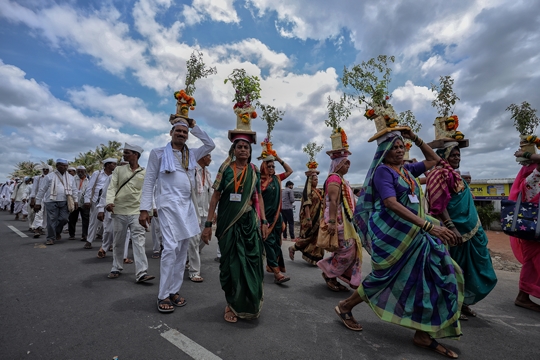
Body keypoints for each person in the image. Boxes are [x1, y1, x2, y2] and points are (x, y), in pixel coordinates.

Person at [337, 130, 463, 359]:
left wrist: (415, 137)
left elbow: (435, 160)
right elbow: (391, 203)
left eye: (401, 146)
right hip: (393, 235)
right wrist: (427, 226)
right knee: (384, 277)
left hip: (415, 234)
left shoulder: (406, 170)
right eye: (394, 147)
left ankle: (423, 334)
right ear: (384, 152)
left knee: (430, 276)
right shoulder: (383, 172)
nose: (399, 150)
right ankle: (345, 305)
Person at [140, 119, 215, 313]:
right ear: (171, 132)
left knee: (183, 249)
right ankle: (162, 295)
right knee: (170, 248)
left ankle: (174, 290)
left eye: (184, 132)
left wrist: (194, 125)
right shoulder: (157, 153)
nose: (181, 134)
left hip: (188, 206)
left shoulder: (192, 154)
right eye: (178, 131)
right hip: (167, 206)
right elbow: (149, 182)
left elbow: (210, 144)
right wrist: (144, 209)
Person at [201, 135, 269, 322]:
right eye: (239, 146)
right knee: (232, 266)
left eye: (246, 147)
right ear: (234, 150)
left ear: (250, 151)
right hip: (228, 224)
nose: (242, 150)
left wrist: (263, 221)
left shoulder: (254, 170)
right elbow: (215, 196)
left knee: (251, 264)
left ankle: (249, 303)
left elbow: (259, 197)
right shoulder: (225, 169)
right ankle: (231, 304)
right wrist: (208, 224)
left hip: (249, 223)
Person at [426, 143, 497, 319]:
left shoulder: (455, 176)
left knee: (472, 268)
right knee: (453, 269)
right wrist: (451, 227)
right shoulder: (438, 174)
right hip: (455, 232)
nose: (457, 158)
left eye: (458, 155)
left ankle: (462, 302)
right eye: (453, 155)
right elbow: (439, 203)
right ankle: (450, 305)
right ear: (443, 156)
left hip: (472, 231)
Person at [105, 143, 153, 283]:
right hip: (119, 210)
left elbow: (147, 193)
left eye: (127, 152)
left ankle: (142, 273)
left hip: (137, 211)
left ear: (136, 155)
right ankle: (116, 267)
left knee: (139, 241)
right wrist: (109, 202)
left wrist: (148, 212)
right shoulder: (119, 170)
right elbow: (112, 187)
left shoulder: (144, 172)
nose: (124, 155)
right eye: (124, 152)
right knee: (118, 241)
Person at [317, 155, 362, 292]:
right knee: (347, 251)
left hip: (345, 220)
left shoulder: (342, 180)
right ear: (337, 164)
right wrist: (331, 222)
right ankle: (328, 272)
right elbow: (333, 201)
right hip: (337, 220)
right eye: (345, 163)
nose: (348, 166)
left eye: (348, 163)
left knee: (348, 249)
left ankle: (332, 273)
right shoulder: (334, 178)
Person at [508, 150, 540, 312]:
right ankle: (523, 296)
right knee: (534, 264)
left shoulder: (528, 180)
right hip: (535, 232)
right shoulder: (533, 179)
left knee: (532, 264)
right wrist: (527, 154)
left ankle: (523, 295)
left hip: (532, 231)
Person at [261, 156, 293, 283]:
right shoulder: (259, 180)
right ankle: (276, 272)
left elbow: (290, 171)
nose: (271, 168)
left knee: (276, 244)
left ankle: (272, 266)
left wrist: (278, 159)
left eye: (273, 166)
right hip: (265, 218)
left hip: (277, 218)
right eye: (268, 166)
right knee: (268, 244)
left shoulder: (277, 178)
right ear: (264, 167)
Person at [35, 159, 79, 245]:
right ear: (57, 166)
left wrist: (76, 200)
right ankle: (50, 238)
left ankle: (57, 232)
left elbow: (74, 190)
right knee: (51, 220)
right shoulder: (49, 176)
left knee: (64, 219)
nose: (64, 167)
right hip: (51, 201)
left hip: (65, 201)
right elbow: (42, 190)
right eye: (62, 165)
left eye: (66, 165)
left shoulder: (70, 177)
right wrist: (38, 202)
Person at [186, 153, 214, 282]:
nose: (211, 159)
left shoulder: (207, 174)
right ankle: (194, 271)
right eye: (209, 156)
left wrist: (214, 212)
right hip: (192, 211)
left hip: (205, 212)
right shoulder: (191, 171)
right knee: (193, 241)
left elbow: (211, 193)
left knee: (203, 239)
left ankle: (188, 258)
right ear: (203, 157)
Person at [289, 170, 324, 265]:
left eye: (317, 180)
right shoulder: (307, 192)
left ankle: (315, 258)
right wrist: (308, 219)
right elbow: (306, 206)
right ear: (310, 181)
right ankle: (293, 248)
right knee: (308, 237)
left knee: (317, 237)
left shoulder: (318, 191)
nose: (316, 181)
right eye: (314, 180)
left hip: (318, 218)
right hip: (310, 218)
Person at [83, 158, 117, 249]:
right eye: (113, 164)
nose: (115, 166)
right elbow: (90, 187)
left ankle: (109, 244)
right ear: (107, 165)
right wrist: (87, 200)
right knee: (94, 222)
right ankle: (89, 240)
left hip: (110, 201)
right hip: (97, 200)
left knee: (110, 223)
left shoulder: (115, 175)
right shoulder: (97, 174)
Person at [68, 166, 90, 241]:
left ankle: (85, 235)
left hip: (84, 202)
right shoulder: (73, 179)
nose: (80, 173)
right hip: (74, 202)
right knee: (72, 219)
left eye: (82, 171)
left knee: (86, 219)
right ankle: (72, 234)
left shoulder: (88, 180)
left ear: (85, 171)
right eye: (79, 171)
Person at [30, 165, 51, 238]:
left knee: (46, 215)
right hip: (40, 198)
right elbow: (34, 188)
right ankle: (36, 229)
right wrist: (33, 199)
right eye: (44, 169)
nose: (45, 170)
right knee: (39, 213)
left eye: (47, 169)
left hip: (49, 198)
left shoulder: (52, 177)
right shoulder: (37, 178)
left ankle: (41, 227)